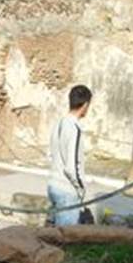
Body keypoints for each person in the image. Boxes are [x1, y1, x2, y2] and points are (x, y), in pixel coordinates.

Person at [47, 84, 92, 226]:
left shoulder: (59, 123)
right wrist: (81, 189)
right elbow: (71, 167)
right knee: (65, 239)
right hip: (67, 190)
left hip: (53, 185)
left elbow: (52, 154)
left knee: (52, 236)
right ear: (85, 105)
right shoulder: (74, 129)